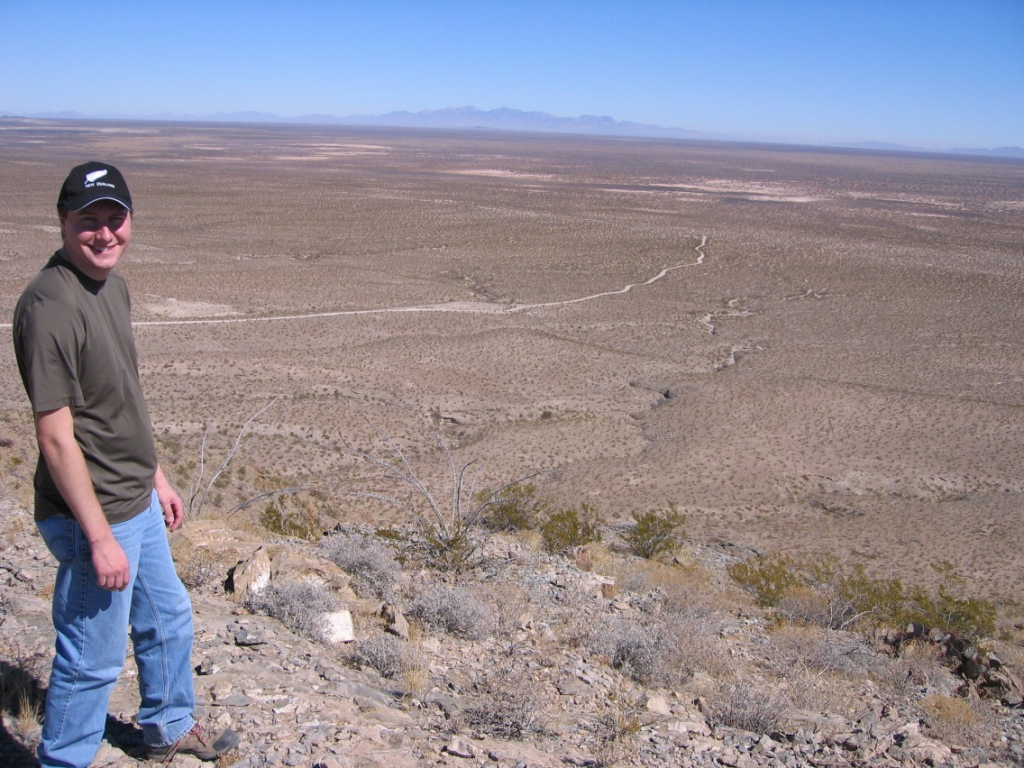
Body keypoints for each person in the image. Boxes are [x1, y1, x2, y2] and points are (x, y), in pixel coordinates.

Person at [12, 161, 239, 767]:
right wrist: (97, 537)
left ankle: (168, 727)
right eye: (90, 221)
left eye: (116, 219)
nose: (105, 234)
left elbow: (121, 398)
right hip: (95, 513)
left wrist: (155, 477)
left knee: (168, 618)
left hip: (130, 496)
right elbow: (57, 436)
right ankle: (64, 759)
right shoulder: (49, 304)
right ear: (63, 222)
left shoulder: (111, 285)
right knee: (92, 655)